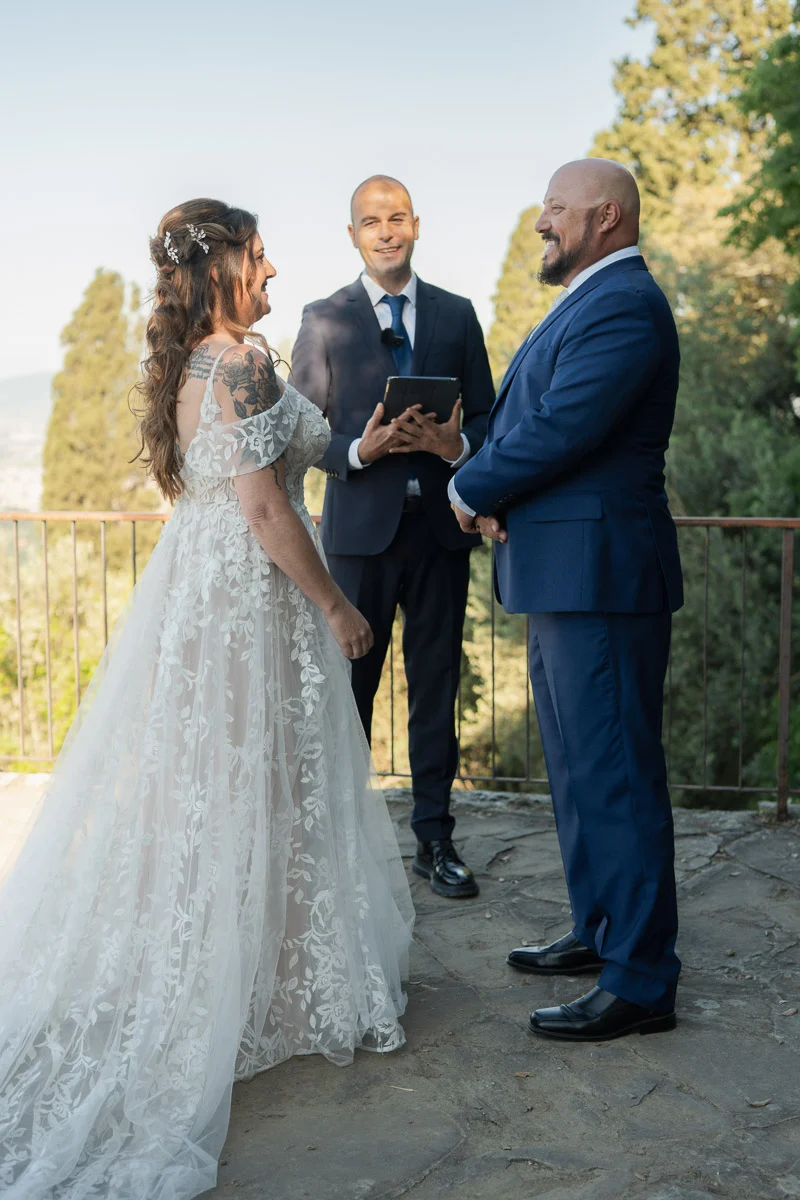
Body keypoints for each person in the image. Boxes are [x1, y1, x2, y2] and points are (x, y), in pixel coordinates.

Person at [0, 200, 414, 1198]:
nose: (272, 273)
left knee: (213, 780)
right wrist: (334, 608)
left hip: (199, 589)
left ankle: (234, 967)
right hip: (251, 593)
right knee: (253, 779)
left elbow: (287, 463)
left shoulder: (192, 364)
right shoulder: (243, 359)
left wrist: (370, 441)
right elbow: (266, 506)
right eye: (259, 259)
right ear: (223, 267)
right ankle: (249, 984)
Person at [450, 159, 683, 1042]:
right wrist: (470, 454)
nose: (542, 221)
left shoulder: (625, 304)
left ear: (607, 217)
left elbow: (565, 429)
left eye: (556, 208)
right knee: (582, 774)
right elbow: (527, 425)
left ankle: (640, 979)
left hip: (603, 578)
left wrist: (468, 490)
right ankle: (600, 930)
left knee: (616, 776)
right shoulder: (588, 298)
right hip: (564, 574)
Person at [292, 175, 494, 899]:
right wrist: (360, 452)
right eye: (370, 221)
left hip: (440, 533)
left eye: (397, 217)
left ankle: (435, 842)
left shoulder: (458, 314)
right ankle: (336, 845)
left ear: (416, 225)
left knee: (436, 686)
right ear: (353, 234)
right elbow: (304, 433)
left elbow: (490, 421)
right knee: (349, 690)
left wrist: (454, 447)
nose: (385, 230)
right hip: (356, 537)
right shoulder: (322, 319)